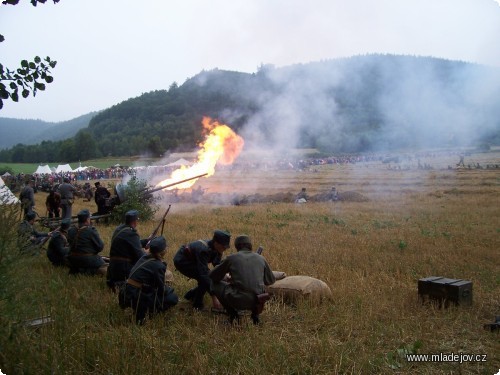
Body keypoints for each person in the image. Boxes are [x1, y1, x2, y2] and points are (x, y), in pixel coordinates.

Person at [209, 235, 275, 324]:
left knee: (214, 284)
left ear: (237, 246)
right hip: (258, 300)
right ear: (250, 245)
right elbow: (270, 281)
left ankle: (233, 315)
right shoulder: (261, 258)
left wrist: (228, 277)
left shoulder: (232, 258)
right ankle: (255, 316)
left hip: (239, 299)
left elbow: (213, 276)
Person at [119, 236, 178, 325]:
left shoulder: (144, 257)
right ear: (163, 251)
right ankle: (149, 312)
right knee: (173, 298)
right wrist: (170, 290)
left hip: (126, 293)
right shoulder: (158, 265)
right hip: (136, 296)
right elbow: (161, 290)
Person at [173, 230, 231, 311]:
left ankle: (191, 295)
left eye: (226, 247)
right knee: (204, 279)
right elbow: (203, 275)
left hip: (195, 261)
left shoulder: (218, 249)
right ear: (216, 243)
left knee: (207, 277)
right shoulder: (204, 250)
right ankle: (197, 305)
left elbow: (217, 265)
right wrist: (214, 297)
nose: (225, 248)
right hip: (183, 262)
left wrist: (225, 275)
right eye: (224, 246)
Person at [106, 210, 148, 291]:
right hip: (124, 270)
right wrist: (150, 253)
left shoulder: (119, 229)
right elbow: (140, 257)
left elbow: (129, 243)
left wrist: (145, 241)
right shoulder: (132, 233)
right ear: (135, 221)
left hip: (113, 269)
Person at [67, 209, 107, 275]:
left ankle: (78, 270)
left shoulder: (71, 230)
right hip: (87, 259)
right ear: (87, 219)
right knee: (104, 267)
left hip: (72, 259)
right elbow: (100, 247)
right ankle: (86, 272)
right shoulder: (91, 231)